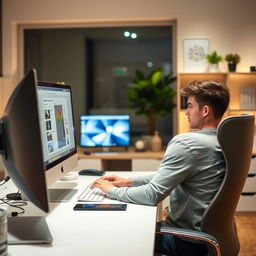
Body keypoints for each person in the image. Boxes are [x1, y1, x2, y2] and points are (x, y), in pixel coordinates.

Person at [91, 80, 230, 256]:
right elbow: (170, 175)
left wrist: (111, 191)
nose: (186, 112)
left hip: (187, 242)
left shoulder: (188, 143)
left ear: (205, 111)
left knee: (120, 233)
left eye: (189, 106)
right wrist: (128, 181)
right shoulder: (223, 141)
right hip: (208, 237)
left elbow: (152, 195)